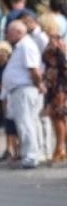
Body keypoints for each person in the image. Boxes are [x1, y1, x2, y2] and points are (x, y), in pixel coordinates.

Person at [0, 20, 45, 169]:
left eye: (10, 31)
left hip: (24, 89)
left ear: (19, 32)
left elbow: (33, 69)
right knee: (29, 122)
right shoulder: (21, 46)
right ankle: (34, 153)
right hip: (21, 89)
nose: (7, 34)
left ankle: (31, 156)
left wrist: (39, 85)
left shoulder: (26, 46)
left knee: (25, 123)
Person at [40, 13, 67, 165]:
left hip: (59, 85)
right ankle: (61, 148)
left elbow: (64, 64)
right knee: (58, 117)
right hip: (55, 83)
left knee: (58, 117)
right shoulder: (57, 41)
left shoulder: (56, 42)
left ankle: (60, 148)